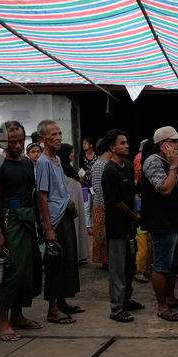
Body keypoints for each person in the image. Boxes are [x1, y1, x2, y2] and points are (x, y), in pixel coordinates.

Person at [0, 120, 43, 341]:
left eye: (21, 140)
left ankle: (18, 316)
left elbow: (32, 194)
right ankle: (1, 323)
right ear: (2, 140)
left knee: (29, 269)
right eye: (13, 141)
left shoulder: (28, 163)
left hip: (27, 218)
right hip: (8, 219)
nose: (18, 145)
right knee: (13, 270)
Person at [140, 125, 178, 321]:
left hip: (174, 222)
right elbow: (165, 189)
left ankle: (170, 299)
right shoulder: (154, 162)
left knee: (172, 264)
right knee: (161, 265)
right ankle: (162, 307)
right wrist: (173, 165)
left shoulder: (168, 160)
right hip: (162, 222)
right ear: (162, 145)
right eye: (173, 142)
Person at [35, 120, 83, 325]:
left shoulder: (56, 160)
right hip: (55, 218)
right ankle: (52, 309)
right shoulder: (44, 161)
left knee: (67, 260)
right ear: (42, 139)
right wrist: (48, 228)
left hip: (64, 214)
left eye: (59, 133)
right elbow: (42, 196)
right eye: (53, 134)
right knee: (55, 262)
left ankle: (62, 301)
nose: (58, 138)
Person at [101, 129, 144, 323]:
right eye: (122, 143)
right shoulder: (109, 171)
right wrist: (133, 217)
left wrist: (135, 217)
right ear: (112, 148)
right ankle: (115, 307)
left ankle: (126, 299)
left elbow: (132, 194)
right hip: (117, 226)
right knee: (117, 267)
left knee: (129, 265)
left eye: (127, 142)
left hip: (129, 225)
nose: (126, 146)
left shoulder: (126, 165)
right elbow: (116, 202)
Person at [60, 143, 91, 264]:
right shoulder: (62, 169)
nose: (72, 154)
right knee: (74, 227)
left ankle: (80, 254)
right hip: (70, 205)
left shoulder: (69, 168)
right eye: (70, 153)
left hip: (77, 204)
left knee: (79, 226)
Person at [90, 137, 112, 266]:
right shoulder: (99, 165)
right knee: (102, 234)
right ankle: (105, 260)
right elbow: (99, 188)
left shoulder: (106, 163)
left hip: (105, 204)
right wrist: (106, 207)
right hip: (101, 205)